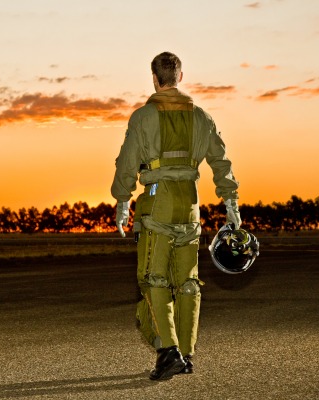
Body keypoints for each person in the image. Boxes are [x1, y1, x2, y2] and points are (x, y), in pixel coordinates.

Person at [111, 51, 241, 380]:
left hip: (159, 203)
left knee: (153, 278)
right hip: (191, 205)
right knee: (188, 282)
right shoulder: (203, 118)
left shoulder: (142, 117)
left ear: (154, 78)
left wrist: (122, 199)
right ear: (180, 77)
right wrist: (230, 202)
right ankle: (186, 352)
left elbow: (127, 163)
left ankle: (168, 352)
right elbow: (221, 162)